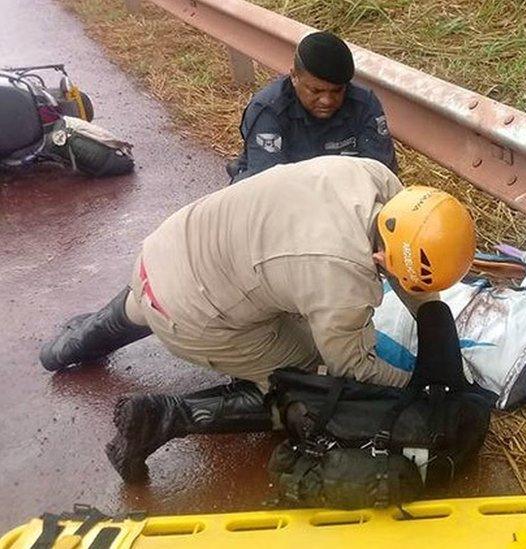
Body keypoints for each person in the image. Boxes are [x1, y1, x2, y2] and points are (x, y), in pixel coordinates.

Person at [38, 155, 476, 482]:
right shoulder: (339, 277)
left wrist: (434, 318)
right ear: (380, 257)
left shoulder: (377, 179)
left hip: (164, 251)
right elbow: (353, 367)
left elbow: (403, 253)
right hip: (192, 313)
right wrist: (417, 388)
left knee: (149, 300)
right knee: (311, 377)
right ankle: (166, 418)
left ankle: (66, 347)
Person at [226, 31, 397, 183]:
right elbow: (267, 184)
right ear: (294, 77)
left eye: (337, 91)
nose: (327, 101)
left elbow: (382, 174)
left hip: (343, 196)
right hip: (278, 195)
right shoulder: (269, 109)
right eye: (316, 90)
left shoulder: (364, 104)